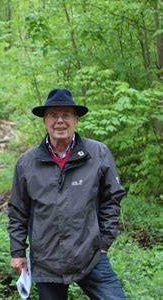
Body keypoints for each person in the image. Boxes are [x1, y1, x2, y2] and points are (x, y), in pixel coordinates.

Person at [7, 88, 127, 299]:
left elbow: (112, 198)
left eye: (66, 115)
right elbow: (18, 210)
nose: (59, 121)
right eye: (53, 115)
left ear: (76, 120)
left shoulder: (98, 153)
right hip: (46, 261)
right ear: (45, 121)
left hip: (89, 256)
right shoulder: (27, 162)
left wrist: (104, 242)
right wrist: (17, 252)